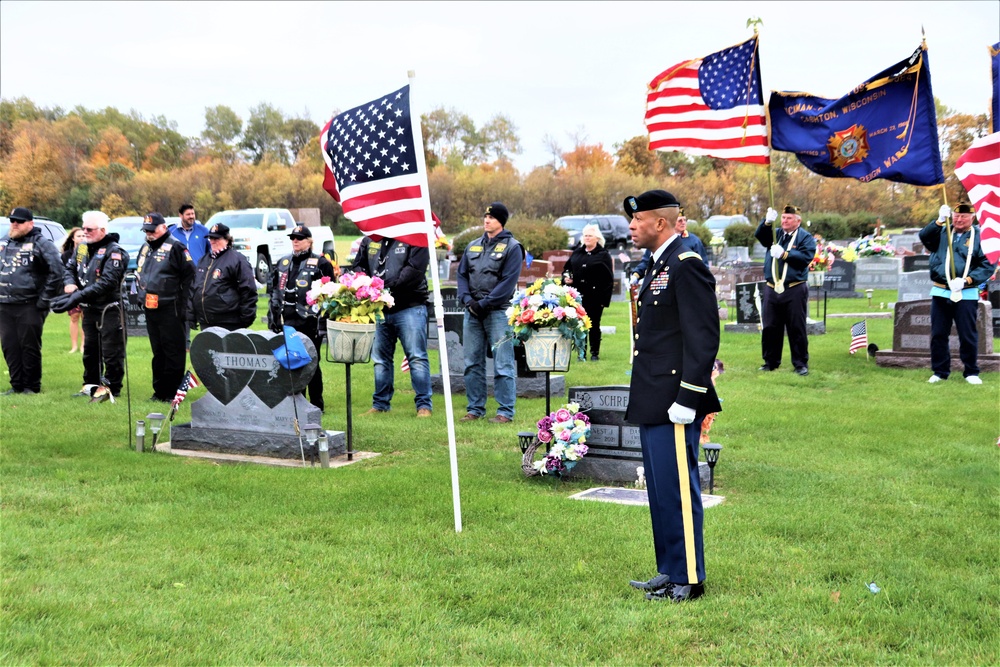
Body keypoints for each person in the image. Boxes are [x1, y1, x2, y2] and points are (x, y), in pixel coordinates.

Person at [623, 189, 720, 602]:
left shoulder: (686, 264)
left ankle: (691, 578)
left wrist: (689, 396)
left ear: (660, 223)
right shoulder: (660, 263)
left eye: (637, 219)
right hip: (653, 394)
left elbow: (703, 336)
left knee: (680, 488)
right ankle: (670, 569)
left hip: (676, 397)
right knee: (661, 488)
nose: (631, 226)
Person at [351, 234, 433, 417]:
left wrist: (383, 287)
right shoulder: (370, 240)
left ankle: (424, 406)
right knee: (380, 360)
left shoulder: (415, 237)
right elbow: (358, 266)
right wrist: (367, 285)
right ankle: (380, 404)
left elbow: (414, 271)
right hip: (379, 308)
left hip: (409, 306)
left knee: (417, 357)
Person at [456, 202, 523, 423]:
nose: (486, 220)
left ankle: (505, 411)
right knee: (472, 363)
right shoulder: (473, 245)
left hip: (498, 312)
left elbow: (507, 283)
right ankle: (475, 409)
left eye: (492, 217)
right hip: (472, 312)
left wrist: (483, 303)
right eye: (485, 216)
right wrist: (467, 299)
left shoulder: (513, 247)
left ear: (501, 222)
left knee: (503, 363)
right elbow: (462, 274)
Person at [53, 210, 129, 397]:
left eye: (89, 229)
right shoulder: (83, 248)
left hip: (110, 308)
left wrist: (78, 296)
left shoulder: (115, 252)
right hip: (90, 307)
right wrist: (70, 283)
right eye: (83, 227)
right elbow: (69, 267)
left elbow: (107, 282)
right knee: (90, 350)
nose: (84, 231)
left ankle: (111, 388)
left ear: (102, 230)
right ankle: (90, 385)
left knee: (112, 351)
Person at [919, 202, 996, 385]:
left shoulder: (981, 236)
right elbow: (924, 237)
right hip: (940, 291)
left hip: (966, 292)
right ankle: (940, 371)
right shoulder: (943, 232)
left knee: (967, 334)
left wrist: (967, 280)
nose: (959, 219)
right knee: (938, 333)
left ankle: (971, 371)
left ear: (972, 217)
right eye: (956, 215)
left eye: (963, 216)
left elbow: (988, 264)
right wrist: (937, 221)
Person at [267, 225, 336, 411]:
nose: (295, 241)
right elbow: (273, 291)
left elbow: (331, 296)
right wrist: (273, 316)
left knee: (312, 363)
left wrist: (323, 323)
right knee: (290, 362)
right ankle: (296, 402)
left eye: (299, 238)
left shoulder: (321, 263)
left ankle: (316, 405)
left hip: (311, 322)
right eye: (293, 238)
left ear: (309, 241)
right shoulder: (283, 262)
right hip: (288, 321)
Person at [0, 207, 65, 395]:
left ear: (30, 223)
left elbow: (57, 271)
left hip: (30, 303)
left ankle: (31, 386)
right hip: (5, 303)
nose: (15, 224)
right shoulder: (4, 242)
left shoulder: (42, 243)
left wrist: (45, 299)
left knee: (29, 345)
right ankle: (16, 384)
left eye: (19, 221)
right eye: (12, 220)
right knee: (9, 345)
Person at [135, 212, 195, 403]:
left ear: (163, 227)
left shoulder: (176, 247)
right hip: (150, 306)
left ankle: (172, 392)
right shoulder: (145, 247)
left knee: (173, 351)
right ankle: (159, 390)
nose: (149, 234)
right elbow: (140, 273)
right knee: (158, 351)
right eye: (146, 230)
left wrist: (185, 304)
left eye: (152, 230)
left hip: (171, 306)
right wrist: (140, 296)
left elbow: (190, 276)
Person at [754, 205, 816, 376]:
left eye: (789, 218)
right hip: (772, 288)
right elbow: (761, 237)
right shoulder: (777, 235)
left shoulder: (805, 238)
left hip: (794, 288)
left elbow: (805, 258)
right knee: (770, 327)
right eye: (783, 218)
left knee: (796, 327)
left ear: (798, 220)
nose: (784, 221)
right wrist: (766, 223)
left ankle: (800, 363)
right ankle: (770, 361)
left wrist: (784, 254)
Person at [188, 223, 258, 332]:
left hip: (229, 322)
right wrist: (191, 314)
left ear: (227, 239)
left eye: (216, 238)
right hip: (206, 321)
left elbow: (248, 289)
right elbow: (194, 287)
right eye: (211, 238)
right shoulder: (204, 260)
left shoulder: (237, 260)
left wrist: (246, 317)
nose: (212, 241)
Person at [563, 223, 613, 361]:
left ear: (597, 238)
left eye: (590, 236)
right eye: (585, 235)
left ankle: (594, 352)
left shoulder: (603, 255)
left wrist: (604, 300)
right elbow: (567, 269)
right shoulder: (577, 253)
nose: (587, 238)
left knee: (594, 324)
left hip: (596, 297)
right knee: (580, 325)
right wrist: (567, 278)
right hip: (578, 296)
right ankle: (581, 352)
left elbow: (608, 279)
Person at [61, 227, 86, 353]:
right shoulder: (66, 255)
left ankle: (83, 346)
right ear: (73, 238)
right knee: (74, 317)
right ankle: (74, 346)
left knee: (85, 316)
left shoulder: (89, 252)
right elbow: (65, 272)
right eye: (79, 236)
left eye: (83, 236)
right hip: (72, 289)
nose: (82, 238)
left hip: (86, 289)